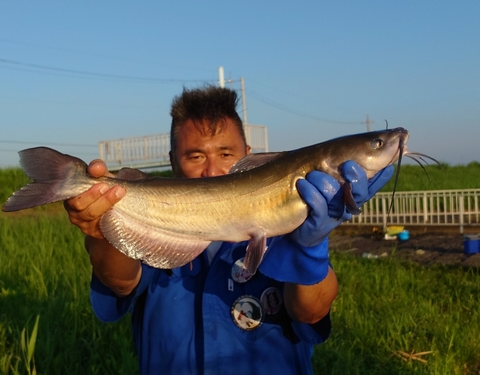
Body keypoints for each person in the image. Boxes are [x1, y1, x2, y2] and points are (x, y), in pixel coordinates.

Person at [64, 86, 394, 374]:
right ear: (173, 160)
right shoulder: (154, 224)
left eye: (225, 153)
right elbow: (121, 282)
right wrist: (102, 228)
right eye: (195, 156)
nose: (211, 170)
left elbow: (310, 312)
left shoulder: (287, 223)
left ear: (248, 156)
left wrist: (308, 247)